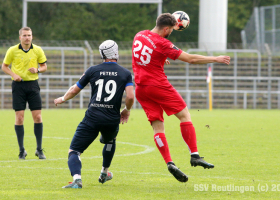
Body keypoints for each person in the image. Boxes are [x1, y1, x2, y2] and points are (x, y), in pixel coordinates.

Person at [132, 13, 230, 182]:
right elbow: (190, 59)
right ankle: (195, 155)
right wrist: (216, 58)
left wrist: (160, 59)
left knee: (158, 127)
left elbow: (144, 55)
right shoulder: (163, 43)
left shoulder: (139, 35)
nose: (171, 33)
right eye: (171, 30)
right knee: (185, 115)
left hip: (141, 88)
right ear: (166, 29)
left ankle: (169, 162)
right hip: (157, 86)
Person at [54, 40, 134, 189]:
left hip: (92, 117)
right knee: (110, 141)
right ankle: (104, 172)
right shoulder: (125, 73)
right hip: (112, 119)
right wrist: (126, 110)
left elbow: (74, 90)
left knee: (74, 151)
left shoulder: (93, 70)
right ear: (116, 52)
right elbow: (130, 96)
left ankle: (77, 179)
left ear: (102, 54)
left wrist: (62, 98)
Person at [1, 27, 47, 160]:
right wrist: (13, 74)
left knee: (38, 117)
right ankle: (22, 150)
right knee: (19, 118)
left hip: (33, 86)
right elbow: (4, 66)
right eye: (25, 35)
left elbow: (44, 67)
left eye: (29, 35)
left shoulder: (37, 50)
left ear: (32, 36)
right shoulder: (12, 50)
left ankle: (39, 150)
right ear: (20, 37)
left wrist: (37, 69)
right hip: (18, 87)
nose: (27, 38)